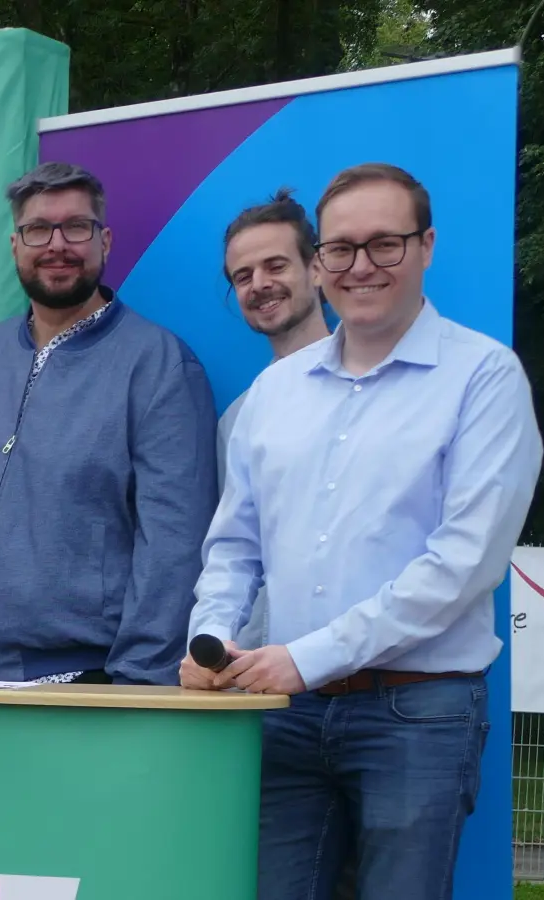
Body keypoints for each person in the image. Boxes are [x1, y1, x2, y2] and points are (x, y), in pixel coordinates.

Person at [183, 163, 543, 899]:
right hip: (280, 713)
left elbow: (463, 563)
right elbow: (235, 545)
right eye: (341, 249)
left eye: (385, 244)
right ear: (321, 265)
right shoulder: (275, 393)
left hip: (419, 711)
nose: (361, 266)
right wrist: (210, 637)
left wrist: (308, 657)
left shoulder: (484, 378)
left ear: (427, 246)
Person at [0, 161, 217, 687]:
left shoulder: (158, 363)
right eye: (38, 229)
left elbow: (175, 542)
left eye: (76, 227)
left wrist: (140, 684)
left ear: (104, 241)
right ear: (15, 244)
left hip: (84, 683)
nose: (57, 244)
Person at [217, 189, 332, 652]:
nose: (259, 284)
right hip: (266, 682)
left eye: (276, 266)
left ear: (317, 268)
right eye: (242, 276)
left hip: (376, 686)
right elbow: (236, 557)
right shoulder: (239, 416)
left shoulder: (385, 386)